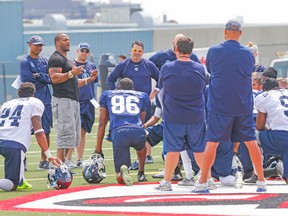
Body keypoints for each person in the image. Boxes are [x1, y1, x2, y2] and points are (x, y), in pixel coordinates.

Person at [192, 19, 266, 193]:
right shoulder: (248, 53)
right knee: (250, 142)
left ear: (225, 32)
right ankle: (261, 181)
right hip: (242, 104)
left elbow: (211, 70)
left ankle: (203, 181)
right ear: (240, 34)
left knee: (212, 142)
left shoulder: (214, 51)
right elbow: (248, 71)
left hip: (220, 105)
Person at [155, 35, 210, 191]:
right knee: (199, 150)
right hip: (196, 116)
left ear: (176, 49)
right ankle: (208, 178)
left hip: (174, 116)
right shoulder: (200, 68)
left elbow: (162, 88)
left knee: (172, 150)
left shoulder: (167, 68)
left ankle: (166, 182)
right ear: (191, 51)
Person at [0, 82, 61, 191]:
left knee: (21, 158)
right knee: (12, 185)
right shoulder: (35, 102)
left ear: (18, 93)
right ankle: (18, 180)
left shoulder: (7, 103)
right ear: (34, 93)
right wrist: (49, 156)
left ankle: (21, 179)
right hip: (13, 143)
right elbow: (38, 131)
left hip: (4, 137)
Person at [106, 40, 159, 163]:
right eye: (135, 50)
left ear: (142, 52)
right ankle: (131, 158)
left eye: (139, 51)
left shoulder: (148, 65)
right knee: (130, 130)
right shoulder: (123, 65)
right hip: (128, 104)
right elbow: (110, 79)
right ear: (131, 51)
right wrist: (116, 93)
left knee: (145, 128)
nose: (137, 53)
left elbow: (160, 77)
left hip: (144, 103)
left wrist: (154, 93)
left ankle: (147, 156)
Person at [48, 33, 97, 163]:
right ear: (58, 43)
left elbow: (75, 82)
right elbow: (54, 78)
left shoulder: (67, 60)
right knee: (64, 133)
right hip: (63, 100)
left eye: (69, 40)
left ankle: (66, 163)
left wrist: (89, 79)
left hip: (73, 100)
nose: (68, 41)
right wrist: (71, 73)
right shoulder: (56, 58)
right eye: (65, 40)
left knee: (73, 135)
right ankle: (59, 166)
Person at [92, 78, 150, 186]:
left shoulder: (107, 95)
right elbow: (142, 120)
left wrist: (98, 149)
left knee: (119, 176)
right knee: (141, 147)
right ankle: (141, 172)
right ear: (133, 88)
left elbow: (102, 123)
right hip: (137, 130)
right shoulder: (142, 95)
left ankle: (122, 172)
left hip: (119, 131)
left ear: (117, 87)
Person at [19, 35, 53, 170]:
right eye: (36, 45)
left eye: (40, 45)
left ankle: (44, 160)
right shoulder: (25, 62)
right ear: (30, 45)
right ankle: (22, 159)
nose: (38, 48)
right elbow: (27, 80)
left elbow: (50, 78)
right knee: (24, 131)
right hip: (29, 100)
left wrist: (39, 76)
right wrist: (41, 78)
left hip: (45, 100)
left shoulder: (45, 61)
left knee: (46, 130)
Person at [255, 78, 288, 184]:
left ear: (264, 89)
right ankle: (280, 168)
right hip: (283, 137)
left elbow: (259, 126)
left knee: (249, 138)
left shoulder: (264, 96)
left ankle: (254, 172)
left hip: (279, 137)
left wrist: (268, 129)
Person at [72, 42, 98, 167]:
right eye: (82, 50)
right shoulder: (72, 65)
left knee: (83, 131)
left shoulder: (91, 65)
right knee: (73, 131)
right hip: (76, 101)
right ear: (77, 51)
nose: (84, 53)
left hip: (88, 102)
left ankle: (79, 158)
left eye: (86, 51)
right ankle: (68, 158)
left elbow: (95, 84)